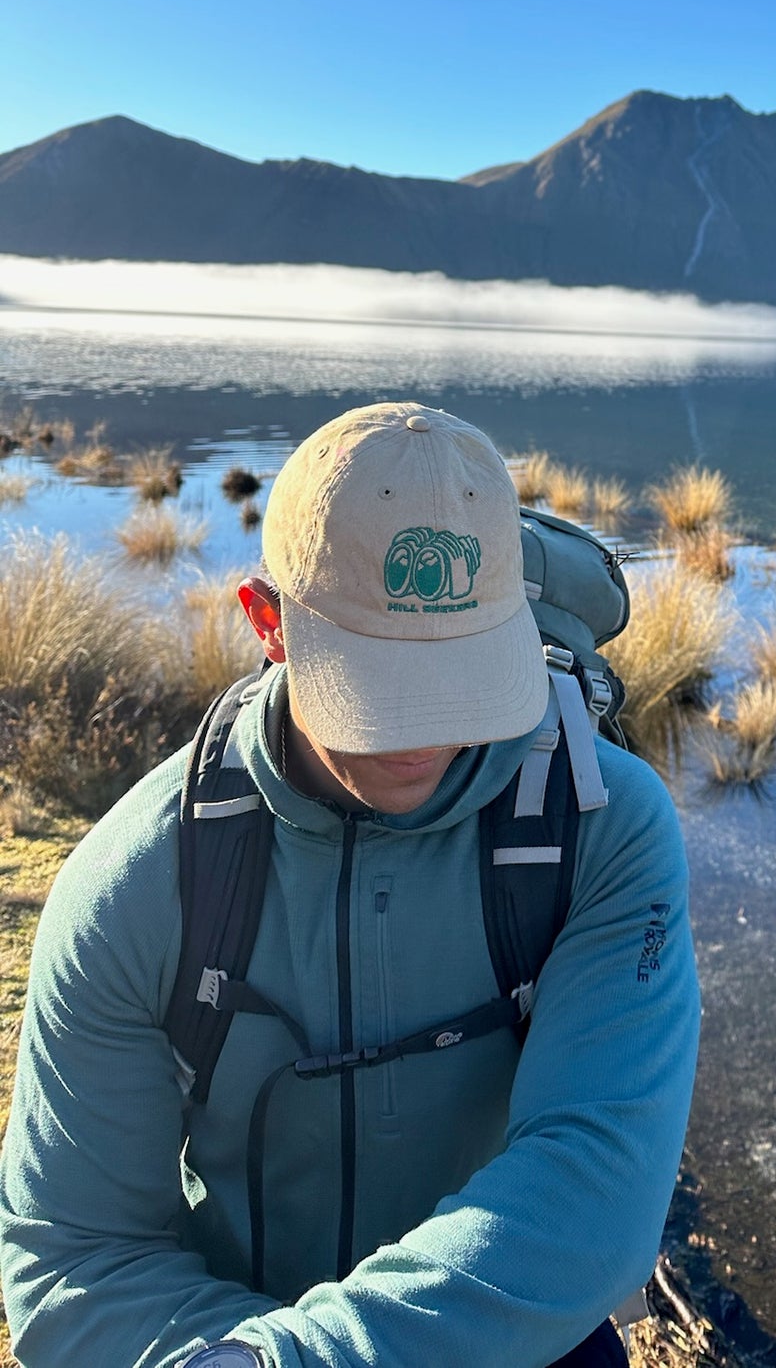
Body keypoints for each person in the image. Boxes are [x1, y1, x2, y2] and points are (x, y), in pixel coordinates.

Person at [0, 401, 700, 1368]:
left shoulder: (602, 828)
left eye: (460, 677)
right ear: (266, 621)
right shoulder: (139, 882)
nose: (421, 735)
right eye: (374, 680)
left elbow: (592, 1187)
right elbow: (74, 1257)